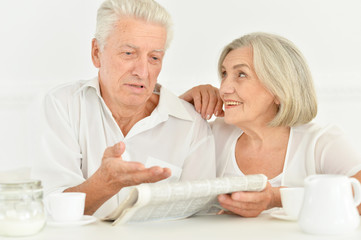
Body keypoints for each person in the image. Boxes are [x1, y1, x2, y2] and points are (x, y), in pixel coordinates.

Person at [30, 0, 216, 218]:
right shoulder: (63, 104)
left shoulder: (190, 124)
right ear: (97, 53)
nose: (142, 71)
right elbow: (50, 211)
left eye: (154, 58)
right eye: (129, 53)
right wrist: (104, 183)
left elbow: (202, 218)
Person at [181, 32, 361, 217]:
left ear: (278, 89)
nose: (224, 88)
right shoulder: (214, 134)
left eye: (241, 74)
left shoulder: (320, 142)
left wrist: (276, 198)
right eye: (225, 74)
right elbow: (165, 179)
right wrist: (182, 108)